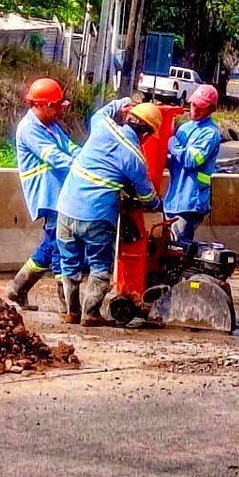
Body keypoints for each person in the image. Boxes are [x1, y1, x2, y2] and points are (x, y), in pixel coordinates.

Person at [55, 99, 163, 326]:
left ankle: (71, 312)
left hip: (66, 207)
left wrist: (124, 101)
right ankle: (90, 313)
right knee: (99, 264)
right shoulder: (135, 157)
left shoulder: (101, 124)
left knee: (69, 262)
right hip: (97, 215)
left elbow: (103, 111)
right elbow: (147, 197)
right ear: (146, 133)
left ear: (128, 117)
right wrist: (157, 204)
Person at [7, 77, 79, 311]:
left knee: (51, 245)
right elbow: (54, 157)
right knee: (60, 245)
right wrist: (83, 169)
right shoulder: (29, 129)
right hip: (47, 194)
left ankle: (18, 288)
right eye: (57, 106)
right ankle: (68, 303)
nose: (60, 110)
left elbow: (71, 148)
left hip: (59, 194)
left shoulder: (52, 126)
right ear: (44, 105)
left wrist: (88, 159)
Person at [165, 84, 222, 245]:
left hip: (191, 201)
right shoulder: (184, 128)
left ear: (211, 109)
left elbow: (191, 160)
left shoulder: (210, 133)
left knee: (179, 246)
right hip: (173, 200)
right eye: (193, 105)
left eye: (200, 107)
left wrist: (171, 141)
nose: (195, 110)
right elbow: (174, 160)